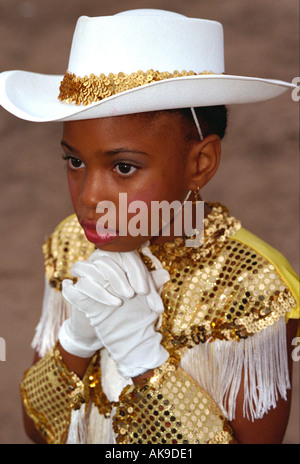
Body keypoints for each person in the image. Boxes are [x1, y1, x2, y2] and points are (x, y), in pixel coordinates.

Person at [0, 9, 299, 445]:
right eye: (75, 161)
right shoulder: (71, 244)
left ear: (201, 163)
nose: (88, 196)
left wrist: (145, 362)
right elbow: (39, 430)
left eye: (123, 166)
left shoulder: (250, 285)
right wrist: (75, 342)